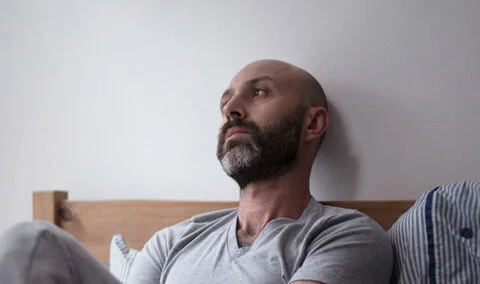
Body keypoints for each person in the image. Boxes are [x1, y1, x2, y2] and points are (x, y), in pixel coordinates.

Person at [0, 60, 393, 284]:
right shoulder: (172, 241)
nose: (231, 109)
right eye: (227, 101)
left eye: (258, 93)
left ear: (313, 123)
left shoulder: (346, 236)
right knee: (33, 241)